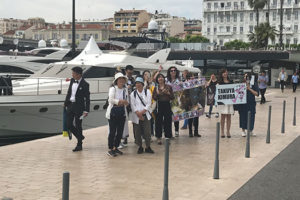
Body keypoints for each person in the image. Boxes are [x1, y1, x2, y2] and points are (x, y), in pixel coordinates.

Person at [64, 67, 90, 152]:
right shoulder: (72, 81)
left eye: (73, 73)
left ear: (78, 74)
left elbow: (87, 98)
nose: (72, 75)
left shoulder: (85, 84)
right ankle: (80, 136)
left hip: (79, 107)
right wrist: (65, 103)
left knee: (78, 125)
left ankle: (79, 145)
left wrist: (86, 110)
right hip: (70, 105)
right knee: (68, 124)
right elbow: (69, 92)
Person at [105, 72, 129, 157]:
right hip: (113, 113)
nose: (121, 81)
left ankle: (116, 147)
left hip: (122, 113)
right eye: (120, 79)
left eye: (123, 79)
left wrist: (124, 102)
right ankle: (111, 148)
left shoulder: (125, 90)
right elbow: (110, 100)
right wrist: (120, 101)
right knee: (112, 131)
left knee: (120, 132)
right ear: (116, 81)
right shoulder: (113, 89)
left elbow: (127, 101)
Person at [130, 76, 154, 154]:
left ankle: (148, 146)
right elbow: (132, 105)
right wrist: (138, 114)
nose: (138, 85)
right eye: (136, 83)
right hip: (136, 116)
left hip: (145, 115)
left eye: (139, 83)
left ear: (142, 84)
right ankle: (139, 146)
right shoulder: (133, 94)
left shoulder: (147, 92)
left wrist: (142, 112)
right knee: (137, 132)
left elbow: (149, 103)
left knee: (147, 131)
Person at [152, 73, 175, 144]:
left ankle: (168, 137)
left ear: (164, 79)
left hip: (167, 104)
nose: (160, 78)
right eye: (159, 78)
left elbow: (172, 97)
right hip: (159, 105)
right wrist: (158, 94)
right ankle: (158, 137)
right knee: (158, 122)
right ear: (157, 80)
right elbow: (154, 97)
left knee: (168, 121)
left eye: (161, 77)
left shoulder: (169, 87)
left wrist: (168, 93)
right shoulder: (156, 87)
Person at [218, 69, 234, 138]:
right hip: (223, 102)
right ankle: (222, 131)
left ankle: (228, 131)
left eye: (226, 72)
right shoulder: (219, 82)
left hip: (230, 101)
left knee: (229, 117)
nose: (225, 74)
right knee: (223, 116)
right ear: (221, 74)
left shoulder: (231, 82)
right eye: (224, 72)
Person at [166, 66, 181, 137]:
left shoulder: (179, 80)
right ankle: (169, 132)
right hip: (167, 101)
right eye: (171, 71)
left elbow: (181, 90)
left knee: (176, 116)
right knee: (168, 117)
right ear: (169, 72)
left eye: (174, 70)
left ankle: (176, 131)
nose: (173, 72)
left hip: (176, 101)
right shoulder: (166, 80)